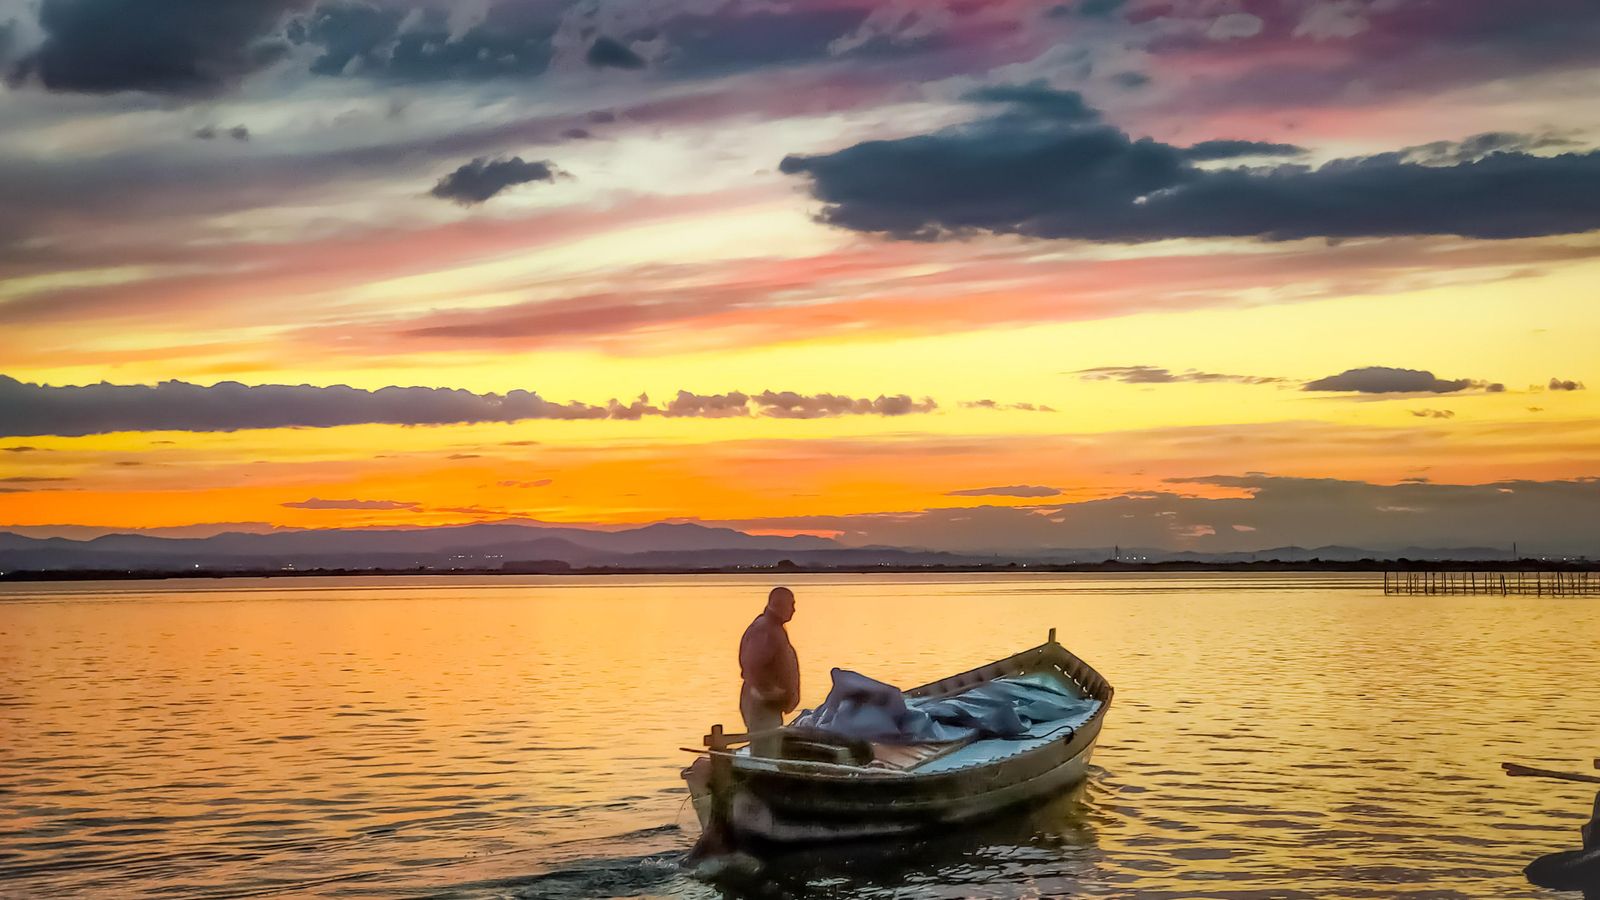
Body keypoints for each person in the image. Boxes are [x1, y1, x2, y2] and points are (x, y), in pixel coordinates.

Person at [738, 586, 799, 757]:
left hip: (768, 705)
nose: (794, 609)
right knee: (765, 754)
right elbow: (751, 665)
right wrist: (769, 690)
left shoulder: (773, 628)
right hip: (762, 705)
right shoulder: (765, 629)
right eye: (791, 604)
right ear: (779, 604)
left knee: (769, 750)